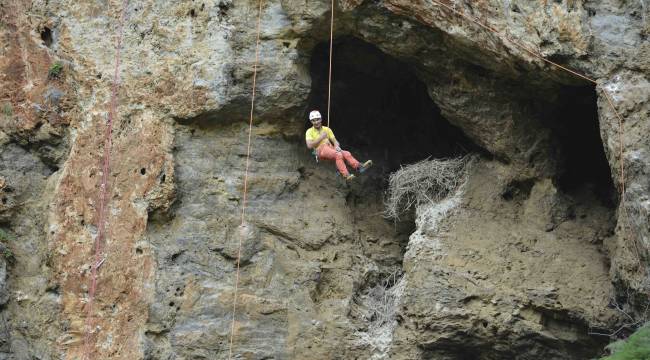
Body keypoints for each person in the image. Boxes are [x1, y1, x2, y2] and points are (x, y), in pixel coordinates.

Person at [305, 110, 372, 181]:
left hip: (330, 148)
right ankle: (346, 175)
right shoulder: (309, 131)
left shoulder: (327, 129)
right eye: (313, 120)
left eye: (317, 119)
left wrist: (337, 146)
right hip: (320, 150)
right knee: (338, 155)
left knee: (346, 153)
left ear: (321, 119)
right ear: (311, 121)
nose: (316, 122)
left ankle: (359, 167)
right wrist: (321, 137)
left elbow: (335, 141)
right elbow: (309, 145)